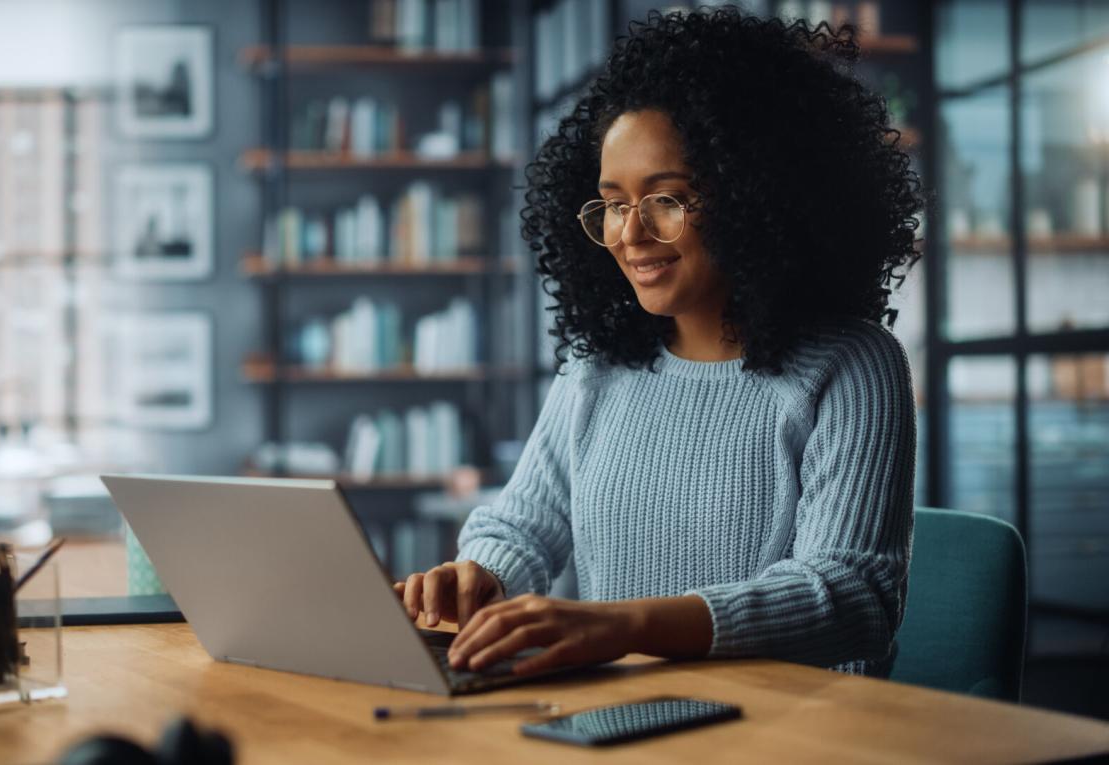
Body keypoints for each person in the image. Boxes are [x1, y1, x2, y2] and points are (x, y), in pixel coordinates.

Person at [394, 7, 924, 679]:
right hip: (614, 722)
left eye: (666, 199)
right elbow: (520, 527)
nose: (630, 233)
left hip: (788, 735)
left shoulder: (852, 365)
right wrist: (480, 577)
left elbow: (851, 596)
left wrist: (620, 626)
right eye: (614, 203)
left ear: (755, 196)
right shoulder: (596, 371)